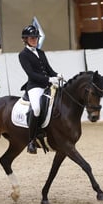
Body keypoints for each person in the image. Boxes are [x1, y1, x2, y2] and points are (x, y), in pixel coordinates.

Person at [18, 25, 62, 154]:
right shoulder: (23, 55)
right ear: (25, 39)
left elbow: (48, 69)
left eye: (36, 37)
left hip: (47, 85)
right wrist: (48, 80)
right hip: (34, 86)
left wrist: (56, 75)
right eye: (32, 38)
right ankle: (31, 141)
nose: (35, 40)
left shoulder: (41, 53)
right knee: (36, 108)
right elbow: (31, 74)